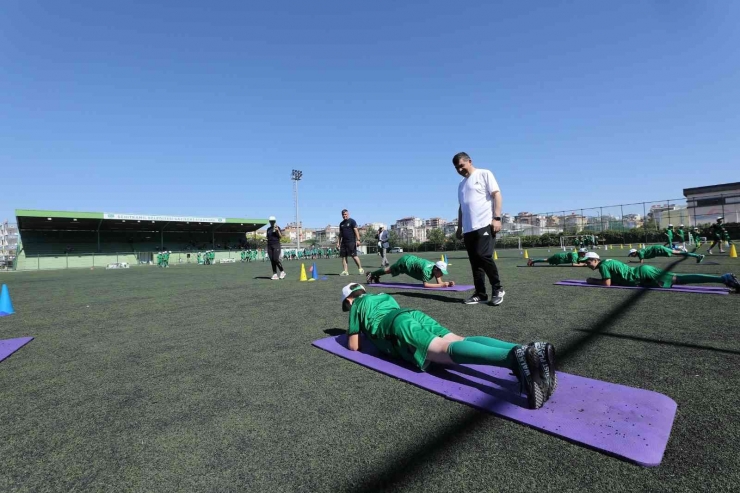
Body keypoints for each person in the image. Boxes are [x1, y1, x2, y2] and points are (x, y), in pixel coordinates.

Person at [340, 283, 556, 409]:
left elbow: (353, 346)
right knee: (458, 339)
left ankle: (514, 357)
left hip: (398, 325)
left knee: (440, 350)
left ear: (349, 299)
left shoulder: (356, 305)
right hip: (411, 314)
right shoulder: (382, 296)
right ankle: (528, 350)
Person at [453, 152, 505, 306]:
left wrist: (496, 218)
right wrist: (459, 227)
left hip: (484, 224)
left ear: (469, 161)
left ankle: (498, 288)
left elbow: (497, 195)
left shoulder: (484, 174)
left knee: (483, 255)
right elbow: (461, 207)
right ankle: (480, 294)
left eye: (461, 165)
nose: (460, 169)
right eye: (457, 168)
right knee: (475, 262)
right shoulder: (461, 184)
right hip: (468, 229)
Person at [582, 252, 740, 292]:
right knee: (679, 279)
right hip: (643, 272)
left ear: (596, 260)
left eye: (589, 261)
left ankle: (723, 278)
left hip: (643, 274)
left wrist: (592, 281)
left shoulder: (602, 266)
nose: (587, 264)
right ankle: (722, 279)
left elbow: (607, 284)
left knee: (680, 279)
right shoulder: (607, 262)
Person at [366, 255, 453, 288]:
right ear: (436, 269)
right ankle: (371, 274)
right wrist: (441, 285)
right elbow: (426, 285)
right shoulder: (426, 270)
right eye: (441, 272)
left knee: (388, 271)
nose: (441, 274)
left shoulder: (435, 268)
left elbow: (439, 281)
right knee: (388, 270)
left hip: (411, 260)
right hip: (405, 263)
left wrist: (448, 284)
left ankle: (375, 275)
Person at [337, 209, 364, 276]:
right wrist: (338, 242)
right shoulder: (341, 224)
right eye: (343, 215)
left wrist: (358, 240)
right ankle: (345, 271)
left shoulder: (352, 221)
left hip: (351, 242)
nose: (344, 216)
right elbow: (340, 234)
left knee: (354, 256)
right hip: (343, 242)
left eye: (345, 214)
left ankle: (360, 268)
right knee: (344, 257)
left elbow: (356, 230)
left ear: (348, 214)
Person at [627, 245, 704, 264]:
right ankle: (697, 256)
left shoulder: (640, 253)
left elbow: (641, 262)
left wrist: (631, 262)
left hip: (660, 250)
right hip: (659, 249)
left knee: (678, 253)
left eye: (631, 254)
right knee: (679, 253)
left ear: (634, 252)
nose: (631, 256)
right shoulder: (640, 252)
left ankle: (698, 256)